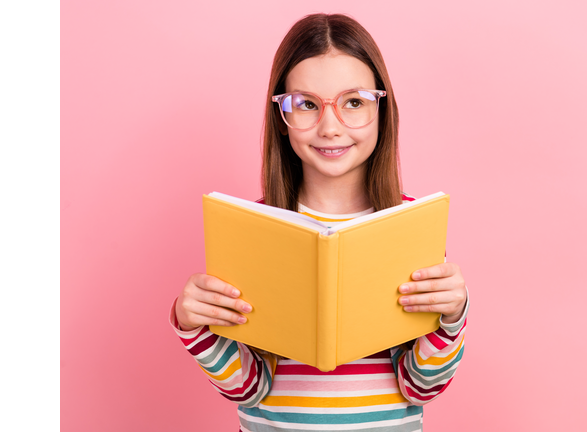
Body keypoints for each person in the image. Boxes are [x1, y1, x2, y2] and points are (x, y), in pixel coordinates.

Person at [170, 13, 469, 432]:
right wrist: (194, 325)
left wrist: (452, 316)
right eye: (306, 104)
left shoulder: (410, 225)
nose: (330, 127)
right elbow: (247, 389)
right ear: (281, 116)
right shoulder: (251, 228)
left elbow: (421, 386)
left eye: (354, 102)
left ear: (382, 109)